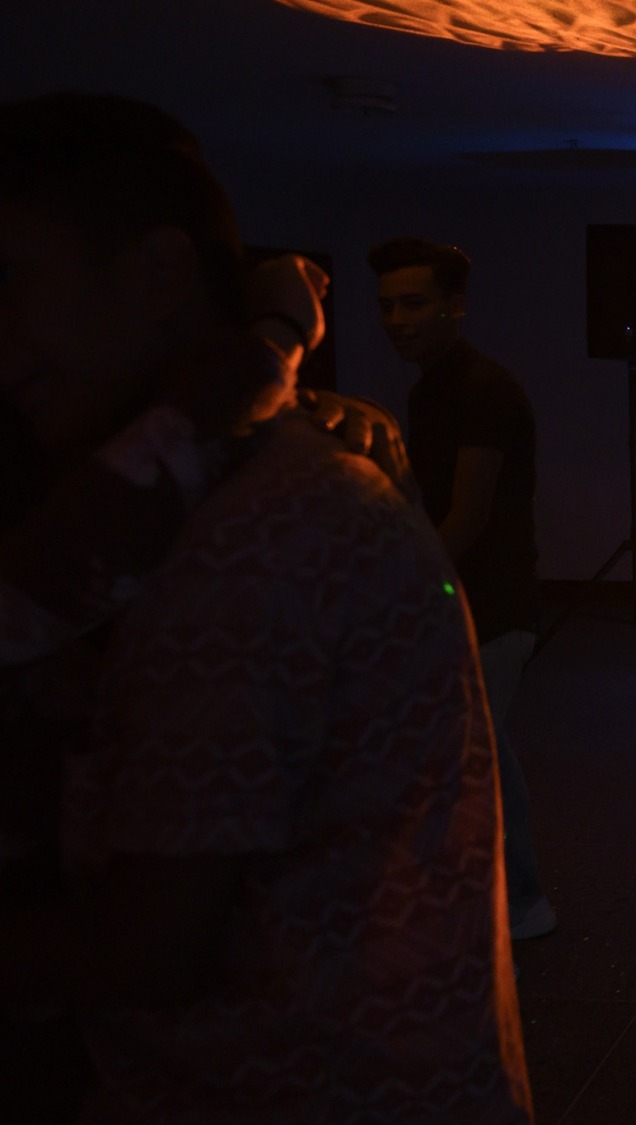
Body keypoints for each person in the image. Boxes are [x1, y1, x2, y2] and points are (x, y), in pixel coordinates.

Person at [0, 93, 532, 1120]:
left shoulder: (244, 537)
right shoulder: (254, 486)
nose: (400, 322)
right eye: (389, 307)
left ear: (157, 276)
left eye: (8, 281)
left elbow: (145, 944)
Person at [369, 236, 555, 941]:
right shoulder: (434, 388)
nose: (396, 319)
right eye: (386, 306)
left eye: (413, 303)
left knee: (475, 758)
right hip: (473, 601)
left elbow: (468, 516)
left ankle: (522, 899)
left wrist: (406, 596)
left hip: (494, 605)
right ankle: (513, 898)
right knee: (480, 754)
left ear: (456, 304)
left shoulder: (482, 390)